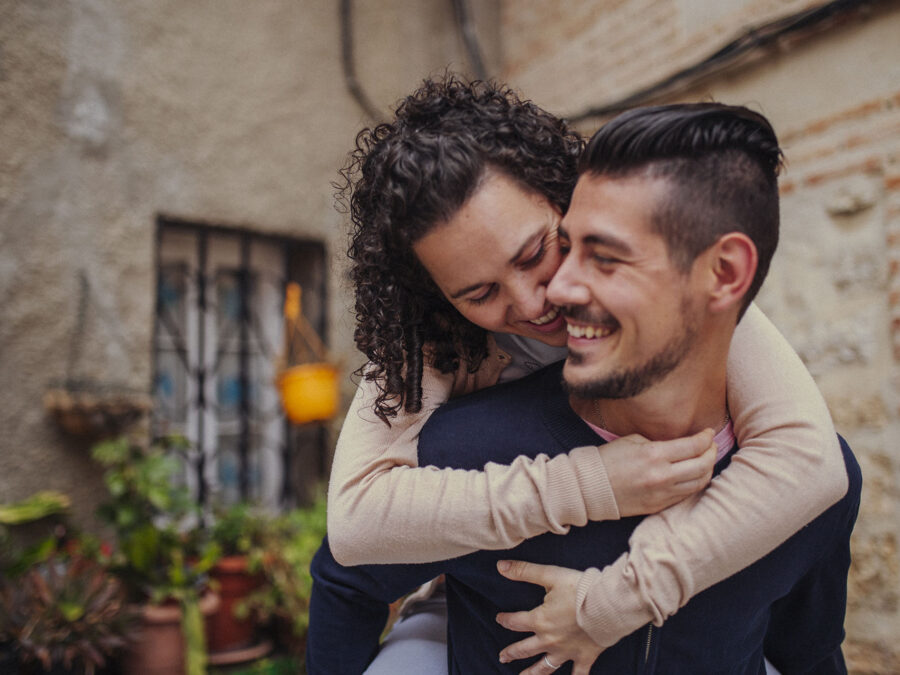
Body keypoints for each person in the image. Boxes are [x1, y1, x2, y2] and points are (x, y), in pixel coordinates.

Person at [309, 102, 861, 674]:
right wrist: (592, 483)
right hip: (478, 583)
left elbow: (812, 462)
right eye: (479, 294)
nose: (533, 301)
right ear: (440, 300)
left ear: (569, 203)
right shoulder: (437, 358)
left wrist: (614, 602)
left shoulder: (687, 302)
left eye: (535, 254)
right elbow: (355, 529)